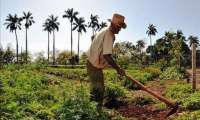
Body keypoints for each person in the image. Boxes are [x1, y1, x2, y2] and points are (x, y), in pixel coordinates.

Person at [86, 13, 127, 111]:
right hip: (94, 65)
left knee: (96, 89)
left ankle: (93, 111)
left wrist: (96, 48)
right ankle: (95, 113)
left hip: (91, 62)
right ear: (112, 24)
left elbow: (93, 37)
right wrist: (118, 69)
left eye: (120, 27)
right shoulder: (109, 34)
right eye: (118, 26)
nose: (119, 29)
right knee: (98, 90)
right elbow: (107, 55)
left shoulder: (104, 30)